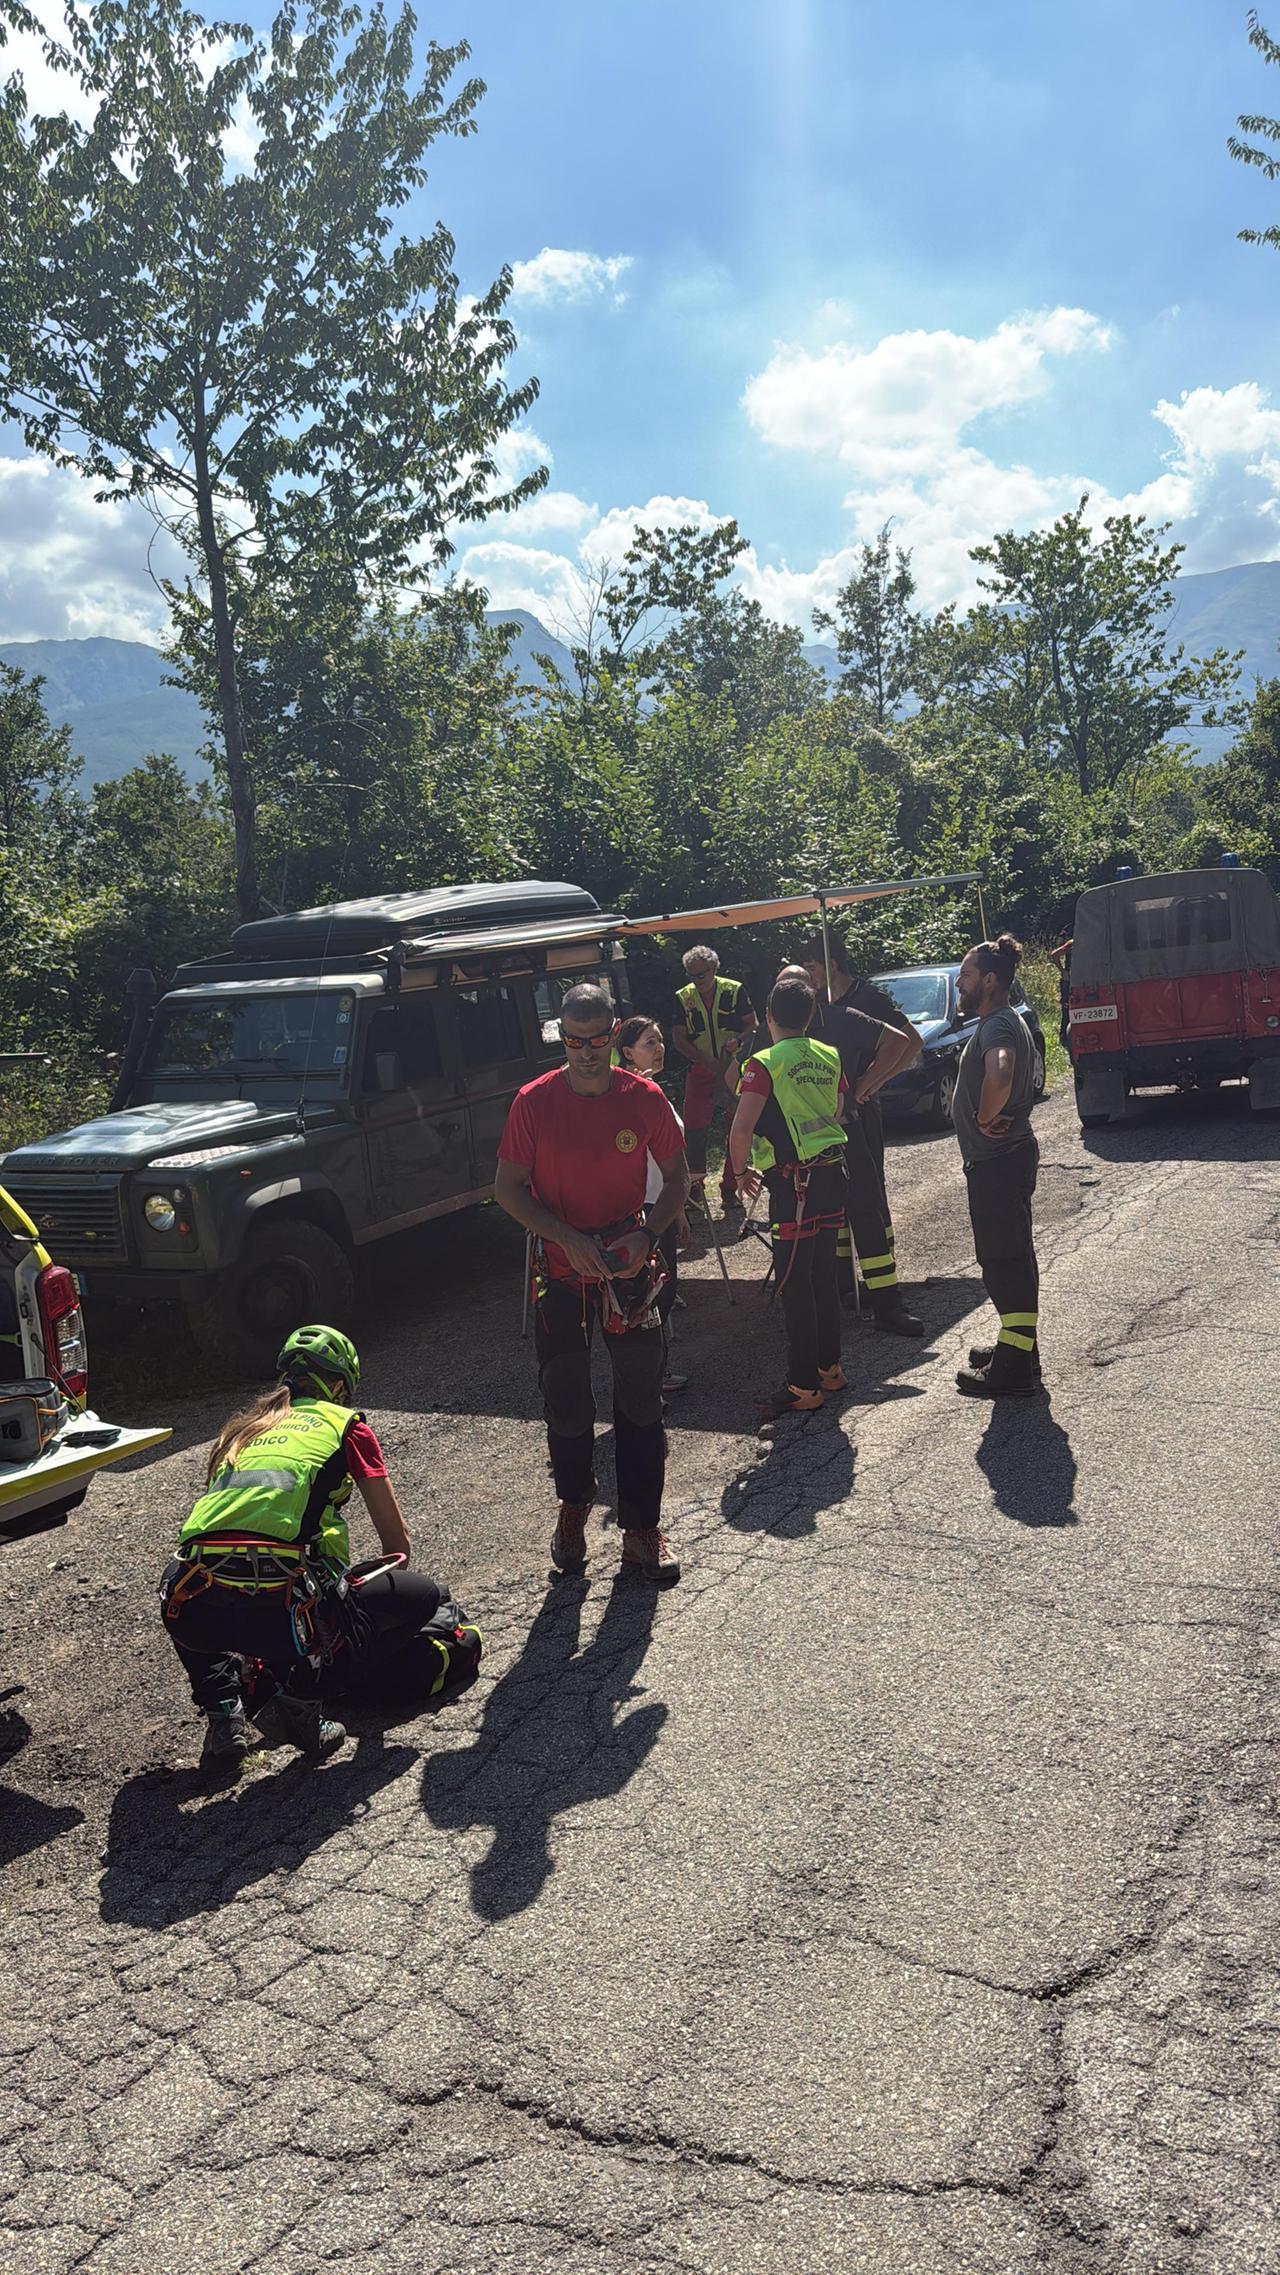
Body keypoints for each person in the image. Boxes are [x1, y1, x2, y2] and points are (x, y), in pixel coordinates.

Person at [160, 1324, 455, 1767]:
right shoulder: (346, 1427)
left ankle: (224, 1715)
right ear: (337, 1385)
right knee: (421, 1594)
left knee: (179, 1575)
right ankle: (302, 1701)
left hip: (197, 1611)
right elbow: (397, 1546)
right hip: (289, 1610)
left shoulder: (241, 1430)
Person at [495, 983, 690, 1585]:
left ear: (613, 1036)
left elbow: (679, 1176)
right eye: (573, 1041)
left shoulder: (644, 1097)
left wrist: (649, 1236)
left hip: (628, 1268)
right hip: (559, 1269)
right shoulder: (534, 1102)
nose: (584, 1052)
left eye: (597, 1040)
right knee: (567, 1401)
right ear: (561, 1037)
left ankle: (641, 1530)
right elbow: (507, 1188)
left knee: (639, 1401)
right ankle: (574, 1508)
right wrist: (566, 1239)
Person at [727, 975, 849, 1422]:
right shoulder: (829, 1054)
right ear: (813, 1016)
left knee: (794, 1283)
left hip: (792, 1183)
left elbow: (741, 1128)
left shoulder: (762, 1063)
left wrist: (740, 1173)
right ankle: (830, 1369)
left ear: (767, 1016)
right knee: (821, 1276)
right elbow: (836, 1112)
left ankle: (803, 1385)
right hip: (832, 1175)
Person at [798, 928, 924, 1335]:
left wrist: (868, 1084)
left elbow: (910, 1042)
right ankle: (845, 1284)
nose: (809, 975)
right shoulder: (815, 1007)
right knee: (839, 1205)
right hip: (828, 1122)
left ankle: (882, 1287)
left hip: (859, 1115)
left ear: (831, 964)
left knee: (869, 1199)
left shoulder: (865, 1000)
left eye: (813, 967)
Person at [951, 935, 1043, 1398]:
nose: (959, 984)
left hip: (997, 1161)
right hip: (1005, 1159)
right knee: (1013, 1255)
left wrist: (984, 1116)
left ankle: (1011, 1371)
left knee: (1003, 1261)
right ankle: (1019, 1349)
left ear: (989, 981)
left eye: (965, 976)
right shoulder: (1002, 1020)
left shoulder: (996, 1027)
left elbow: (1001, 1071)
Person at [616, 1014, 689, 1394]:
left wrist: (677, 1207)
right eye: (649, 1042)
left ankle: (655, 1372)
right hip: (643, 1205)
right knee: (653, 1290)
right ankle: (651, 1377)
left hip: (661, 1201)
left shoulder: (651, 1089)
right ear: (627, 1052)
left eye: (660, 1040)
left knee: (663, 1287)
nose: (659, 1048)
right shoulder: (631, 1095)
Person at [672, 945, 756, 1212]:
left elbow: (751, 1025)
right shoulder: (682, 997)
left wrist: (737, 1041)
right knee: (694, 1131)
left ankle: (731, 1189)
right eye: (691, 976)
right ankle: (696, 1190)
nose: (697, 982)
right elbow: (678, 1038)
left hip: (732, 1068)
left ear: (714, 969)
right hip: (700, 1070)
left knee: (736, 1127)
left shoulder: (734, 990)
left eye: (701, 975)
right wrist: (702, 1059)